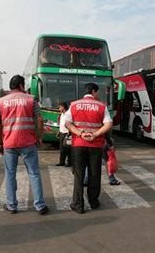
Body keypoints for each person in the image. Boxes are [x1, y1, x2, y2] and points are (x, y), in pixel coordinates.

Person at [0, 75, 48, 215]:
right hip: (28, 142)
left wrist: (0, 142)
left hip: (9, 144)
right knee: (34, 173)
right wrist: (39, 137)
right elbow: (40, 120)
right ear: (22, 86)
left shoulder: (1, 102)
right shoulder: (31, 99)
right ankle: (40, 206)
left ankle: (11, 205)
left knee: (10, 174)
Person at [64, 83, 113, 213]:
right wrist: (95, 134)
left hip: (78, 144)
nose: (97, 95)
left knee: (79, 175)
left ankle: (78, 205)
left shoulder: (74, 105)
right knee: (94, 174)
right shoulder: (102, 106)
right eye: (97, 92)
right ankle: (93, 202)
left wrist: (80, 133)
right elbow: (108, 124)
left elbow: (67, 123)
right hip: (96, 145)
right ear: (93, 92)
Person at [56, 102, 72, 167]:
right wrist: (58, 132)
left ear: (63, 107)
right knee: (62, 149)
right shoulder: (61, 115)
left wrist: (69, 133)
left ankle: (70, 162)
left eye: (60, 107)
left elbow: (70, 124)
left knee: (68, 149)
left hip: (67, 134)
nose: (59, 108)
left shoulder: (68, 114)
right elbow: (61, 124)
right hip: (62, 133)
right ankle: (62, 162)